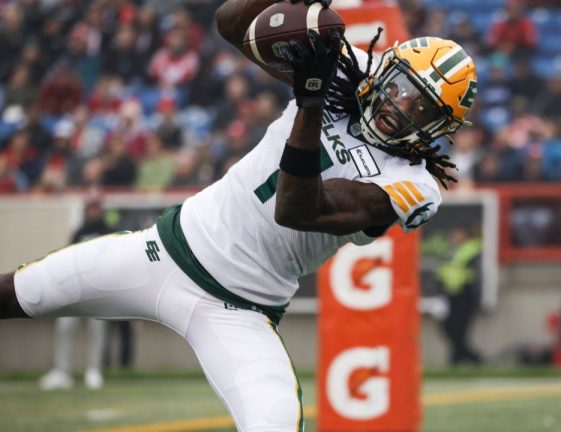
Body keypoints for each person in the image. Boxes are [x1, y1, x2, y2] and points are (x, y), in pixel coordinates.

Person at [0, 0, 479, 430]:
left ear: (439, 131)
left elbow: (297, 209)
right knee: (27, 290)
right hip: (163, 250)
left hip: (242, 309)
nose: (399, 107)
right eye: (401, 88)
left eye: (421, 108)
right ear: (386, 68)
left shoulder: (415, 185)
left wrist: (310, 100)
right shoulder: (351, 67)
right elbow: (231, 23)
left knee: (274, 425)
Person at [38, 196, 110, 390]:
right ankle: (63, 371)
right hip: (76, 288)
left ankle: (94, 370)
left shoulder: (109, 231)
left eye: (96, 208)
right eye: (90, 208)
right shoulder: (79, 232)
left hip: (99, 289)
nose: (93, 212)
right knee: (64, 326)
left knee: (97, 330)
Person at [436, 227, 483, 366]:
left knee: (460, 329)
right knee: (448, 328)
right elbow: (444, 270)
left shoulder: (472, 249)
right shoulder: (450, 250)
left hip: (466, 294)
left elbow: (473, 273)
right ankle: (471, 357)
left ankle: (457, 359)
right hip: (450, 295)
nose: (454, 237)